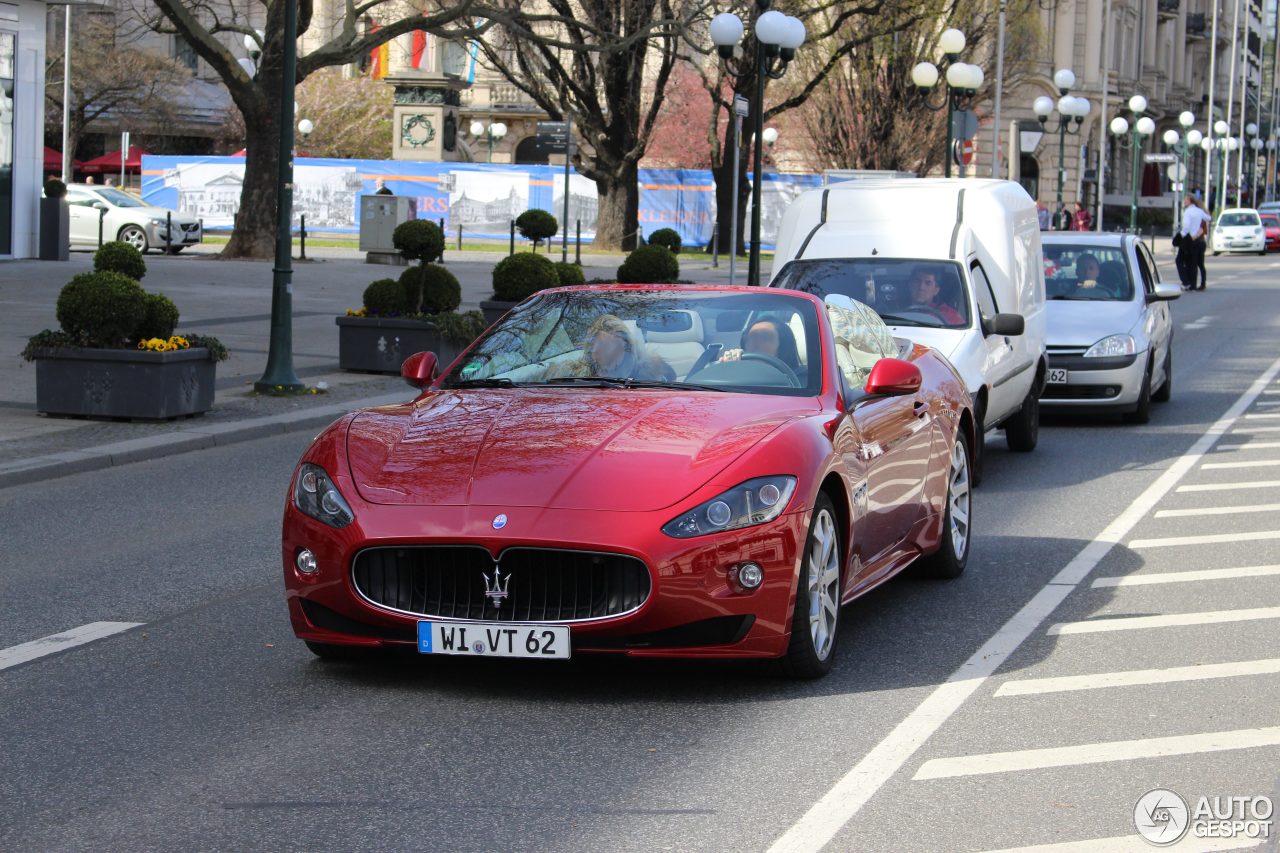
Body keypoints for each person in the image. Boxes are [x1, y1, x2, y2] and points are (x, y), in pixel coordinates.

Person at [547, 314, 673, 381]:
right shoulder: (572, 374)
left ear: (624, 344)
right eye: (593, 345)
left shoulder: (649, 371)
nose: (594, 351)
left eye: (604, 345)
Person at [717, 317, 802, 371]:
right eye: (751, 337)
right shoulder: (736, 369)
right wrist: (728, 369)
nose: (756, 343)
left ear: (783, 346)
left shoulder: (800, 382)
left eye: (765, 337)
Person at [1177, 192, 1211, 290]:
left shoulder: (1197, 215)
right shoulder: (1199, 213)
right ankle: (1194, 284)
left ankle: (1194, 284)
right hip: (1198, 241)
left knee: (1196, 263)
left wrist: (1192, 237)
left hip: (1197, 241)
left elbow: (1201, 229)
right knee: (1195, 263)